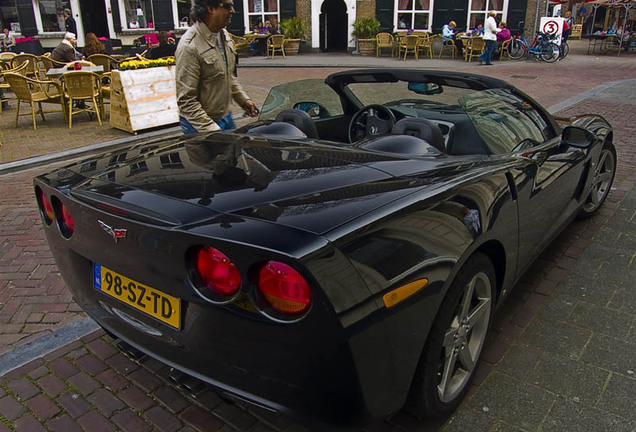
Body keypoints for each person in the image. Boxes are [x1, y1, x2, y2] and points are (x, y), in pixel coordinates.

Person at [175, 0, 258, 134]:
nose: (232, 10)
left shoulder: (224, 35)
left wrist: (243, 100)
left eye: (232, 5)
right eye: (226, 6)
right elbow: (186, 101)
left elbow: (227, 75)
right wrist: (213, 131)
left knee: (232, 154)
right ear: (210, 8)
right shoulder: (189, 47)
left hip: (225, 117)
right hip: (198, 125)